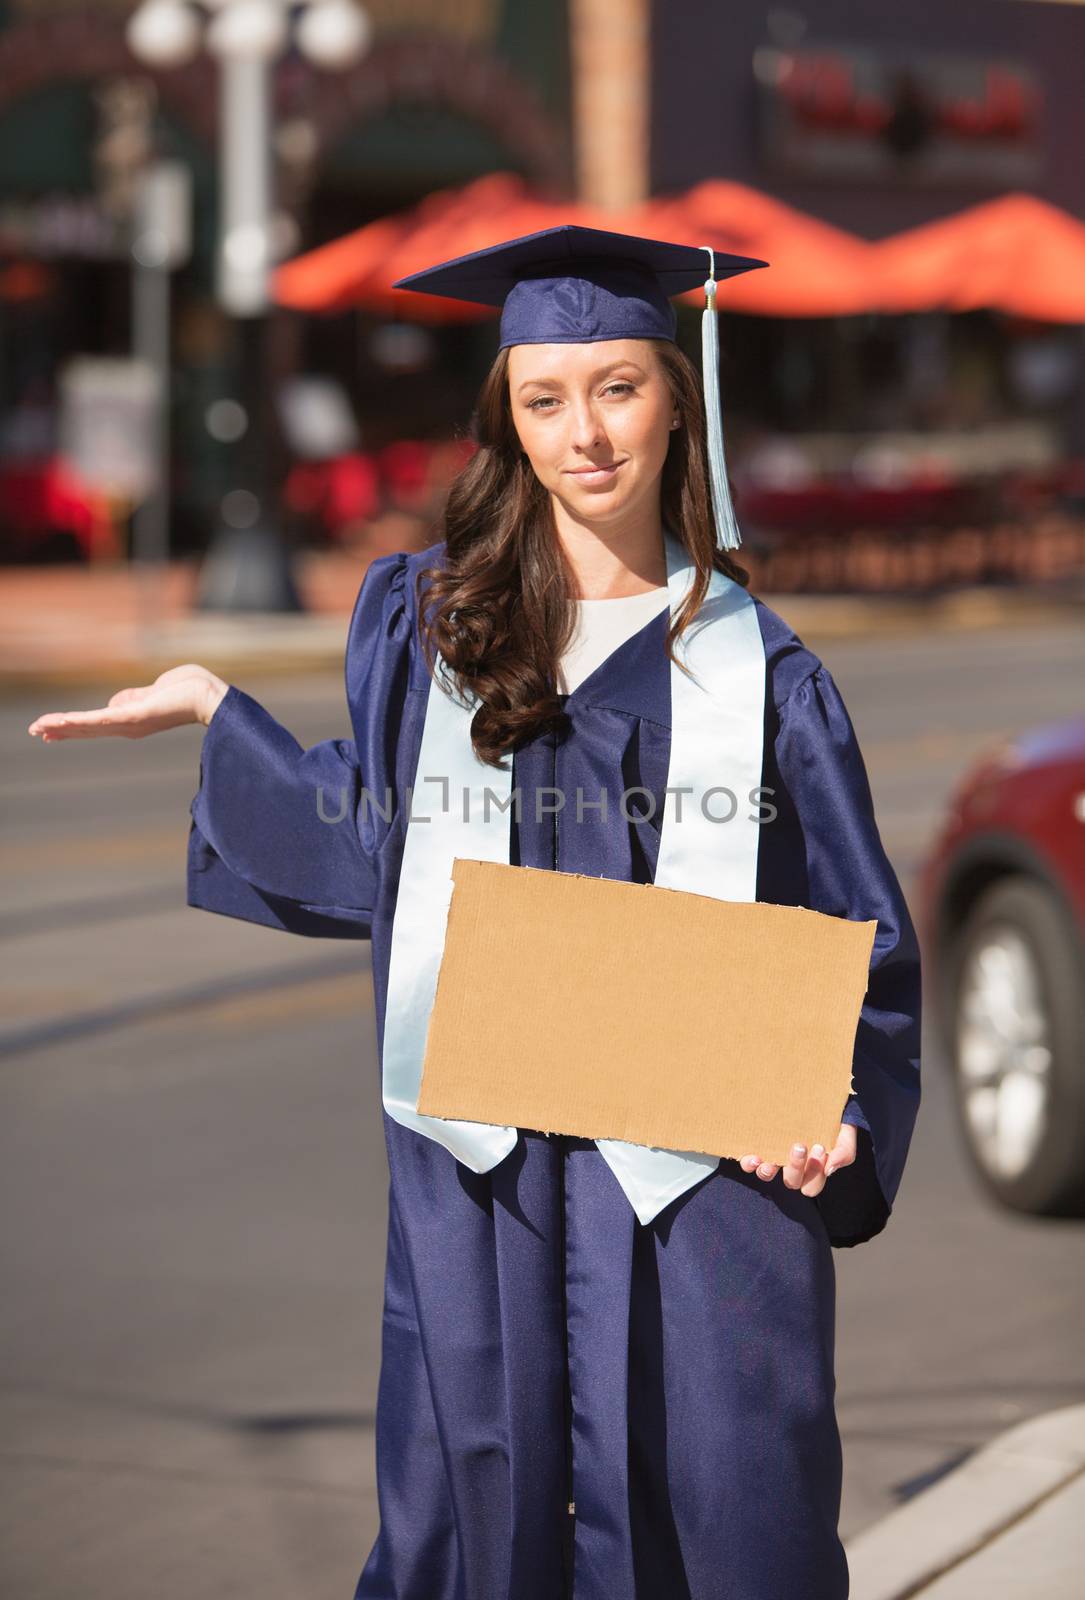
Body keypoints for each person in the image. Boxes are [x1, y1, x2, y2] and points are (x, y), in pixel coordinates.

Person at [27, 226, 922, 1600]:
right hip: (482, 1181)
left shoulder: (763, 677)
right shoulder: (430, 632)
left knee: (719, 1522)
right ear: (505, 415)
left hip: (697, 1198)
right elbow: (378, 850)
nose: (586, 436)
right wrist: (219, 714)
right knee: (473, 1522)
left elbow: (859, 935)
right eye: (544, 398)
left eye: (618, 388)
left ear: (677, 396)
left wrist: (844, 1106)